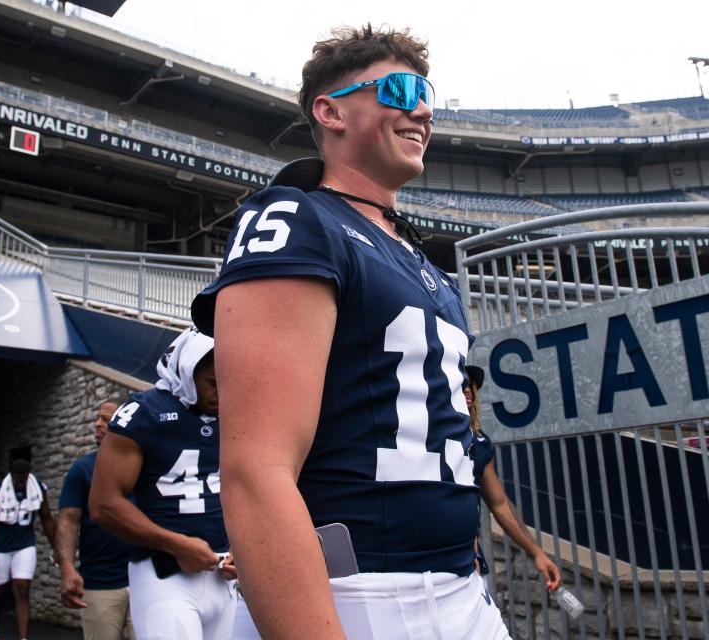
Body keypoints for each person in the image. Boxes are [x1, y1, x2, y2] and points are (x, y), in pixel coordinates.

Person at [191, 24, 509, 640]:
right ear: (330, 111)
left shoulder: (418, 256)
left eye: (427, 94)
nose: (420, 109)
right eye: (398, 88)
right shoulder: (296, 217)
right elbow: (257, 469)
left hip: (458, 587)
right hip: (359, 591)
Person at [89, 327, 236, 640]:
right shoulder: (145, 413)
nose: (221, 393)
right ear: (185, 370)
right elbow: (104, 504)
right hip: (165, 575)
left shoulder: (235, 414)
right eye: (212, 383)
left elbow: (250, 490)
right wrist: (176, 543)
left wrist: (243, 548)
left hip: (225, 577)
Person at [464, 365, 561, 592]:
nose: (467, 390)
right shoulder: (430, 438)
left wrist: (536, 552)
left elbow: (500, 504)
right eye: (461, 385)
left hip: (473, 569)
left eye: (470, 385)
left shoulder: (479, 442)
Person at [57, 399, 135, 640]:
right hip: (100, 581)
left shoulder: (145, 466)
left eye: (106, 420)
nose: (97, 424)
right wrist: (67, 567)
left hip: (145, 579)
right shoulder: (82, 469)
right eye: (98, 418)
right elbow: (68, 520)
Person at [0, 456, 59, 640]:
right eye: (17, 476)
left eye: (24, 476)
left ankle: (23, 637)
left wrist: (56, 547)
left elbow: (46, 518)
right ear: (11, 474)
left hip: (24, 545)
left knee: (22, 588)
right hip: (0, 546)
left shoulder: (37, 488)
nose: (21, 480)